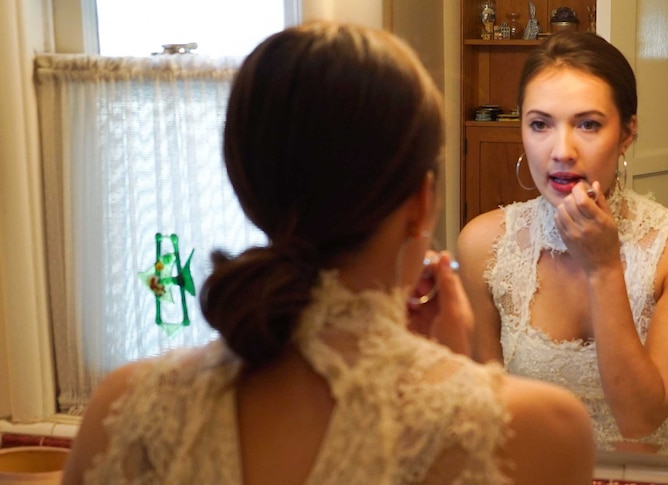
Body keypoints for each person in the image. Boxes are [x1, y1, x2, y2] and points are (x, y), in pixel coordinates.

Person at [61, 21, 595, 484]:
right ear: (420, 203)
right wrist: (459, 378)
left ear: (248, 185)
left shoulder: (127, 407)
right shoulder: (540, 429)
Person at [458, 29, 668, 455]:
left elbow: (641, 420)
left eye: (588, 124)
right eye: (540, 124)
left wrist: (603, 268)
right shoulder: (483, 245)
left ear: (627, 133)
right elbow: (490, 420)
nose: (561, 151)